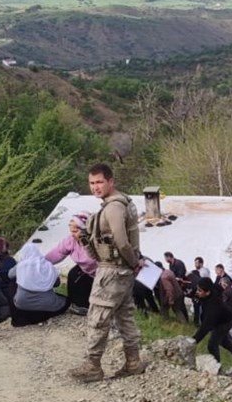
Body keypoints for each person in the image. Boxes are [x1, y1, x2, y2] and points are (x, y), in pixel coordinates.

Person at [69, 164, 145, 382]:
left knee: (98, 317)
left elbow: (121, 242)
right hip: (119, 270)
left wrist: (133, 262)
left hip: (113, 270)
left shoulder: (113, 207)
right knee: (125, 316)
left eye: (100, 182)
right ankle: (133, 361)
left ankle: (93, 365)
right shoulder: (120, 203)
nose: (95, 187)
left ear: (111, 181)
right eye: (92, 183)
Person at [191, 277, 232, 376]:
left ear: (207, 292)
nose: (197, 292)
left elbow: (205, 327)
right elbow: (209, 287)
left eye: (200, 291)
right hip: (220, 319)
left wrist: (194, 341)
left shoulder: (213, 306)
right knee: (225, 342)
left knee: (212, 344)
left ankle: (216, 368)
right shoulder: (210, 290)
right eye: (197, 289)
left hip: (224, 322)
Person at [43, 213, 97, 315]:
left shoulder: (96, 241)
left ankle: (86, 305)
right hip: (84, 269)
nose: (72, 234)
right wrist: (41, 263)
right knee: (73, 275)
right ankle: (77, 304)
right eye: (71, 231)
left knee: (81, 280)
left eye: (76, 231)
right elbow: (58, 252)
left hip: (100, 271)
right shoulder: (70, 240)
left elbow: (95, 260)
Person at [10, 243, 70, 327]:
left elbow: (9, 275)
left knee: (13, 281)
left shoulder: (20, 266)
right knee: (66, 301)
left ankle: (29, 317)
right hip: (47, 305)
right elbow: (57, 283)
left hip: (22, 305)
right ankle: (43, 315)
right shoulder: (47, 265)